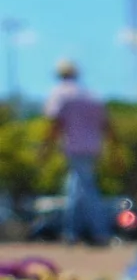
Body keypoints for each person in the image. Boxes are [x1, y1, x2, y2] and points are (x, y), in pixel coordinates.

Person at [44, 59, 111, 246]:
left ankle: (98, 233)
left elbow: (55, 122)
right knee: (75, 188)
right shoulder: (90, 94)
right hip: (93, 148)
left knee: (85, 190)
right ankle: (74, 232)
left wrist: (45, 147)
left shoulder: (60, 93)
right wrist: (114, 148)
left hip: (74, 148)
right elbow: (106, 124)